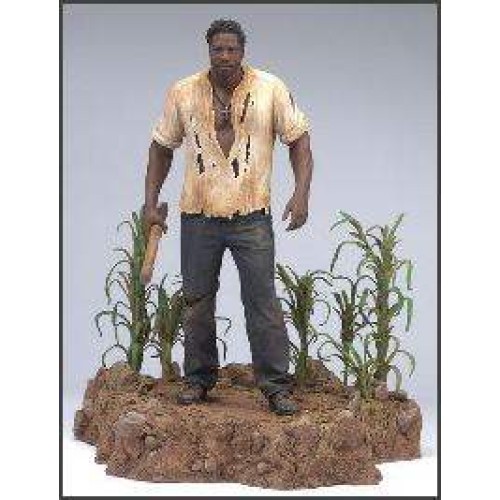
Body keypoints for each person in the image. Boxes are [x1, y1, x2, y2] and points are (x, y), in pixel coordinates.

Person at [144, 19, 313, 416]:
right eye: (217, 49)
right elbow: (161, 147)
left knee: (262, 301)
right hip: (198, 214)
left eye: (231, 49)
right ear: (208, 51)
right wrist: (150, 201)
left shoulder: (270, 88)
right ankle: (198, 379)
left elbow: (299, 139)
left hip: (252, 214)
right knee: (196, 301)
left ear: (242, 51)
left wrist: (301, 193)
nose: (224, 56)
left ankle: (275, 386)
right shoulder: (183, 91)